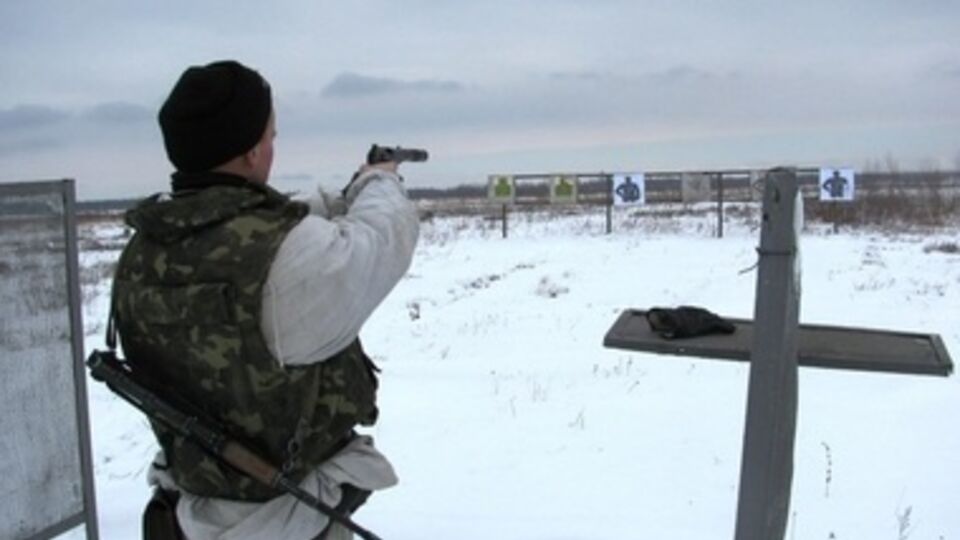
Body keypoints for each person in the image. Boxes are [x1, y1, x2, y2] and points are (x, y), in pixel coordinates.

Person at [109, 59, 419, 539]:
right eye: (271, 136)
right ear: (252, 152)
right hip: (281, 519)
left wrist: (343, 193)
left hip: (188, 505)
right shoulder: (286, 260)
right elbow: (380, 241)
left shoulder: (145, 250)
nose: (274, 147)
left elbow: (241, 226)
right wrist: (380, 181)